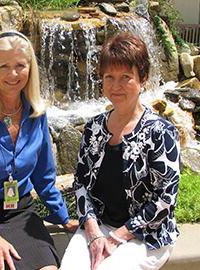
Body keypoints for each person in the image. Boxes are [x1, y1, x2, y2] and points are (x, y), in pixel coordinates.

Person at [0, 31, 77, 270]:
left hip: (20, 212)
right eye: (4, 66)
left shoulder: (36, 113)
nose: (13, 74)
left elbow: (44, 177)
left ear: (31, 68)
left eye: (20, 65)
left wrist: (62, 218)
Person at [60, 32, 180, 270]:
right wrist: (93, 231)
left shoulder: (161, 132)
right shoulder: (94, 128)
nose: (116, 86)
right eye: (109, 77)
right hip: (99, 227)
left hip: (146, 234)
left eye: (126, 77)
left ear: (143, 78)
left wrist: (119, 236)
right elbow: (81, 185)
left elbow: (165, 200)